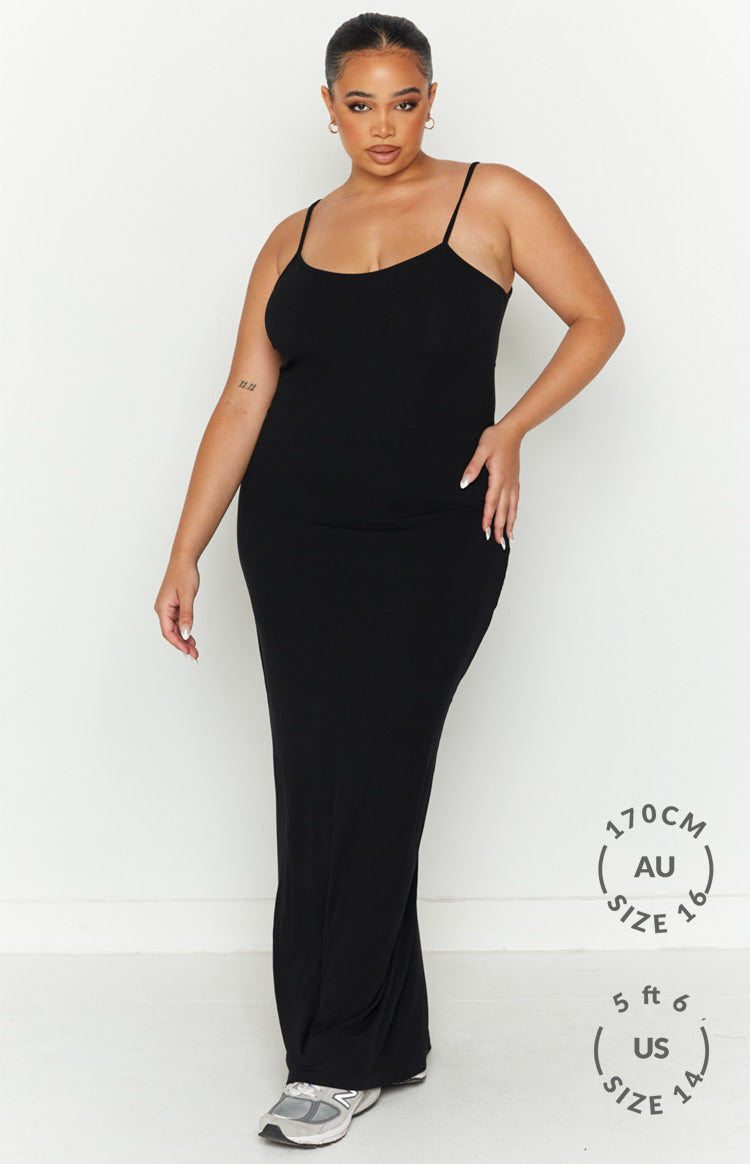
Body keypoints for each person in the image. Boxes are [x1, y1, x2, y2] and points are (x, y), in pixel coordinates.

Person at [153, 11, 625, 1150]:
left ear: (430, 101)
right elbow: (247, 396)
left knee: (379, 772)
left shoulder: (491, 199)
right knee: (320, 779)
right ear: (328, 108)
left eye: (403, 101)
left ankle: (332, 1060)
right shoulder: (292, 236)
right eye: (360, 104)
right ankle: (376, 1037)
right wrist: (185, 548)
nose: (383, 125)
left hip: (435, 536)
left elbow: (597, 321)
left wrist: (511, 428)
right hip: (295, 536)